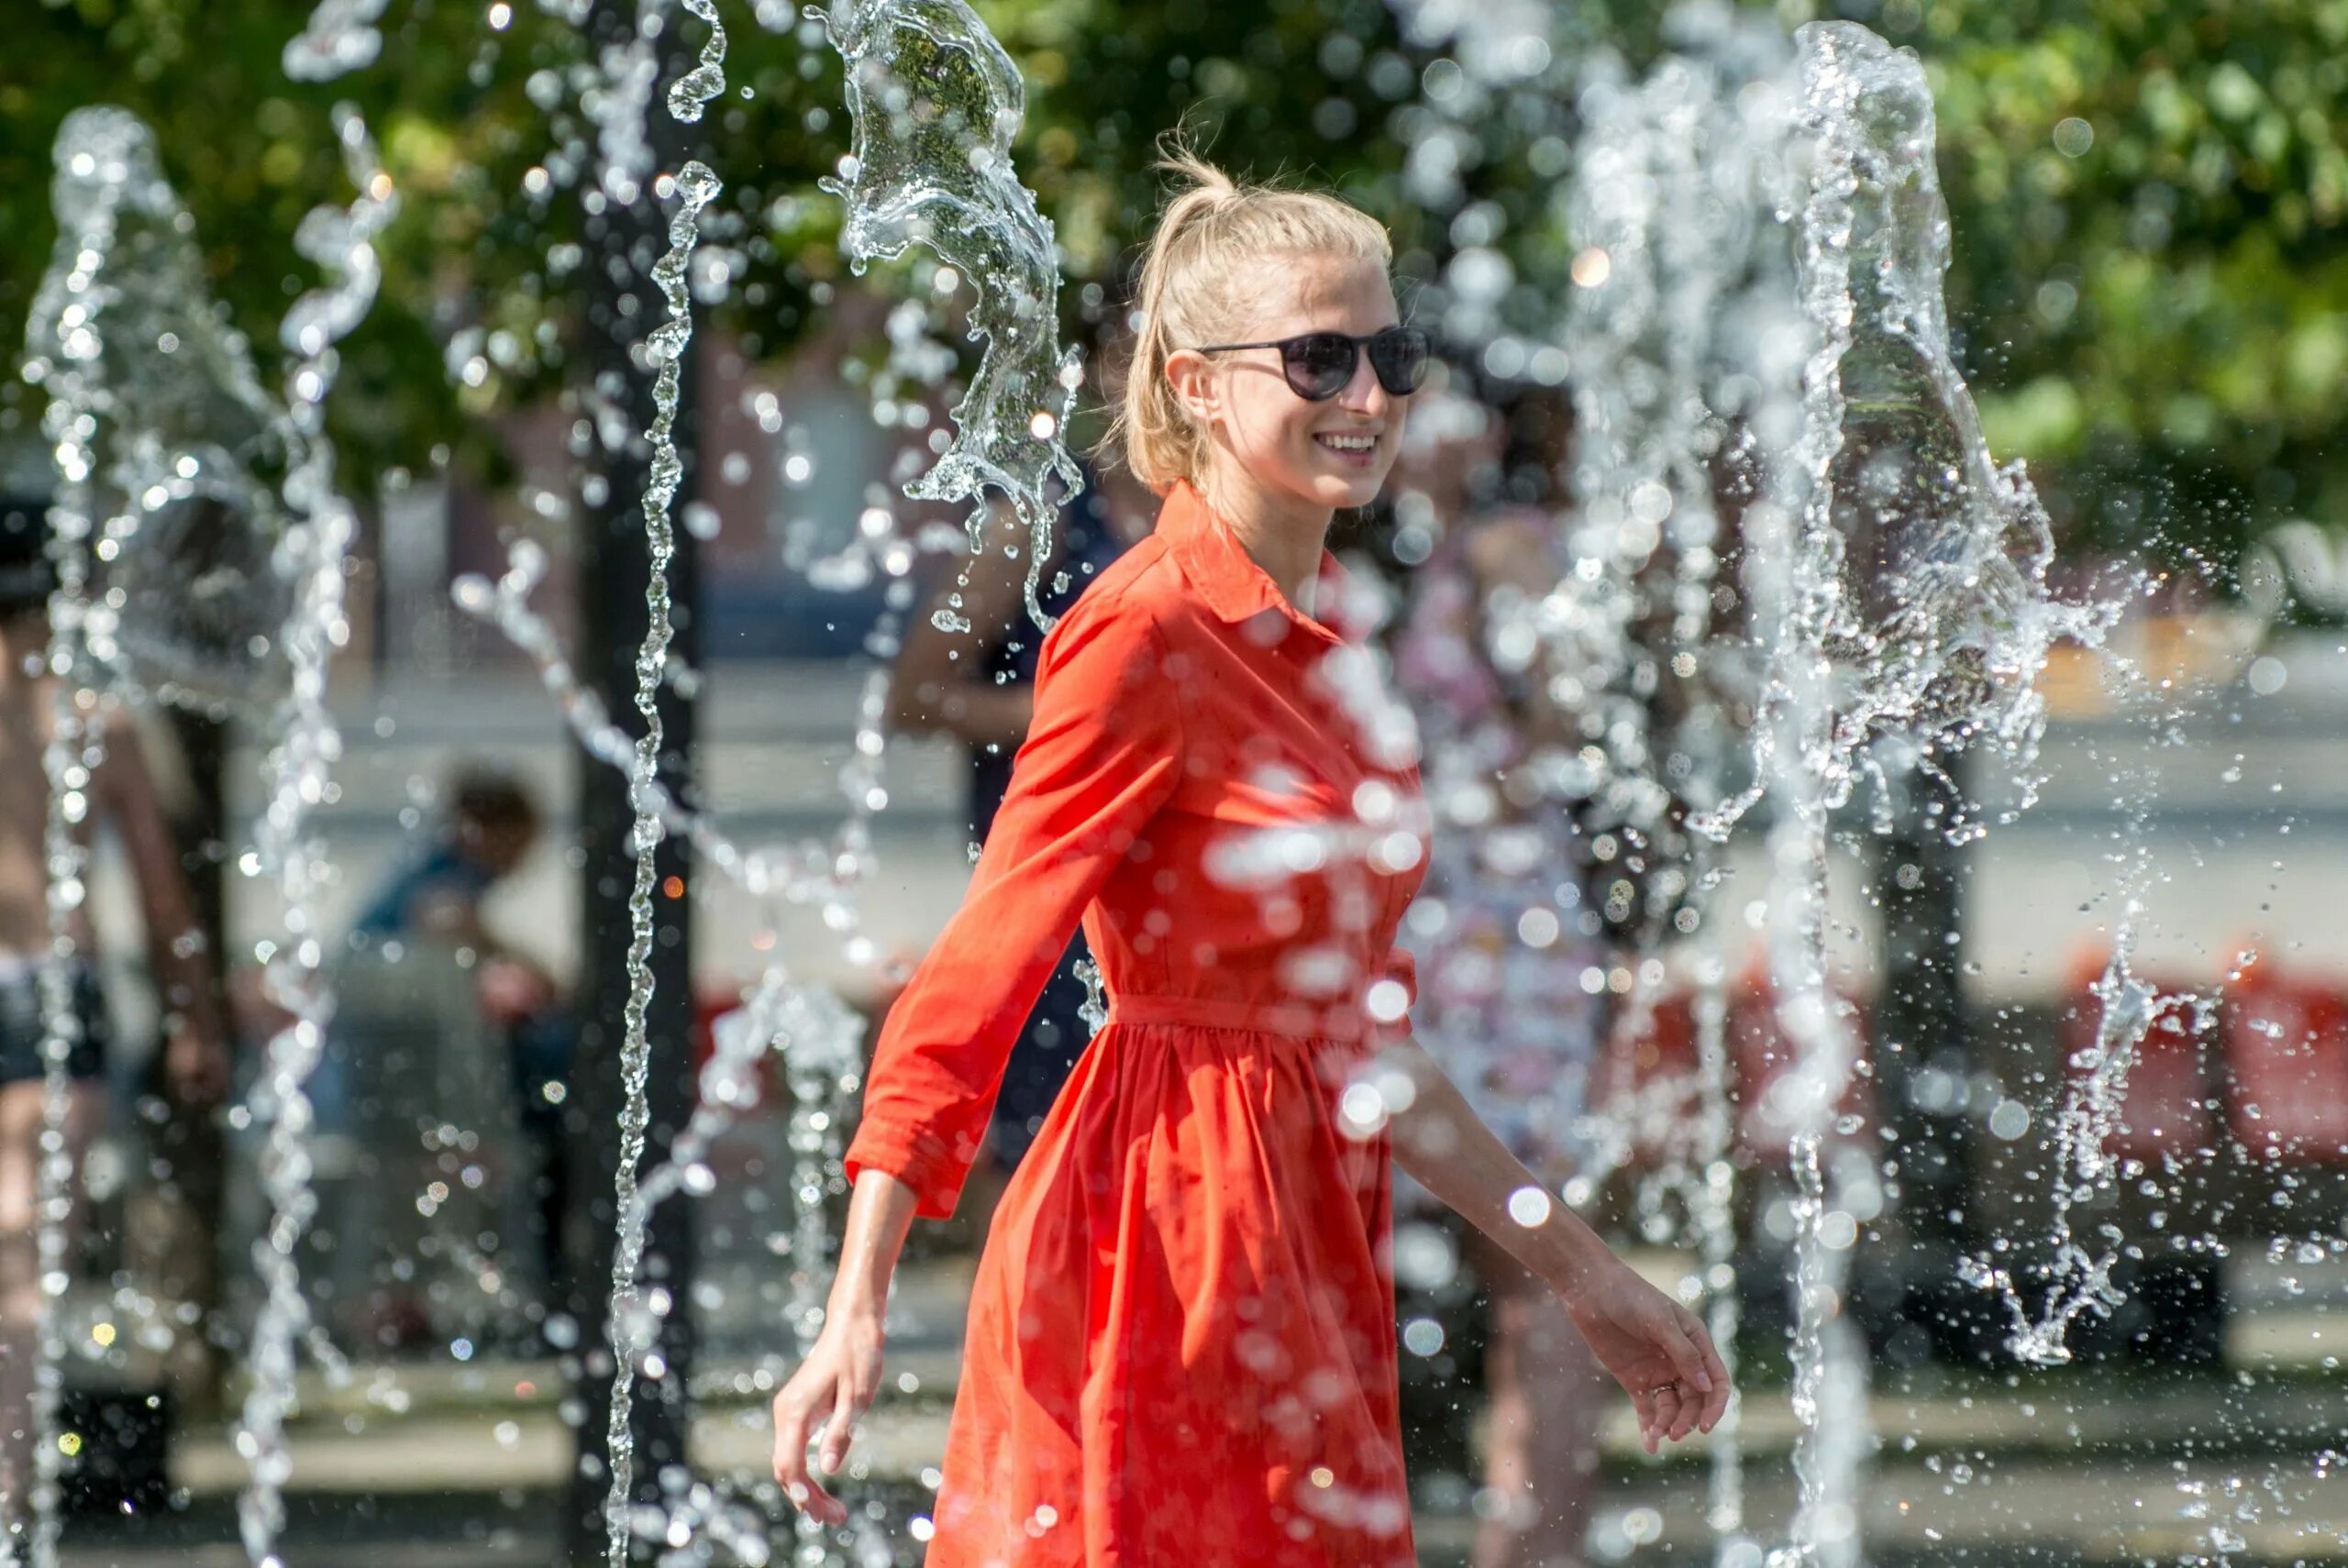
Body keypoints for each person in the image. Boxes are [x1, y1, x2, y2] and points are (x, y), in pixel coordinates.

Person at [770, 149, 1729, 1565]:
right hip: (1159, 1231)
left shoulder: (1335, 633)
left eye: (1390, 354)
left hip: (1308, 1230)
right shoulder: (1144, 629)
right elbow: (974, 975)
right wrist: (855, 1302)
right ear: (1194, 382)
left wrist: (1584, 1272)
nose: (1367, 397)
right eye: (1320, 357)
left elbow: (1363, 1038)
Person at [1394, 465, 1615, 1568]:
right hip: (1400, 922)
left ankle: (1535, 1547)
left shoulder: (1504, 547)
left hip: (1496, 936)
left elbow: (1573, 718)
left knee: (1534, 1254)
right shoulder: (1351, 552)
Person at [0, 485, 228, 1529]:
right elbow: (164, 899)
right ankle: (9, 1497)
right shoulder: (95, 728)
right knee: (25, 1253)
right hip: (55, 996)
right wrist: (196, 1021)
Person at [887, 463, 1134, 1238]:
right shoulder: (1036, 519)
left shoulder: (1233, 505)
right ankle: (1010, 1348)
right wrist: (1075, 711)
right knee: (1043, 1152)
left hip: (1168, 897)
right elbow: (916, 696)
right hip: (1051, 889)